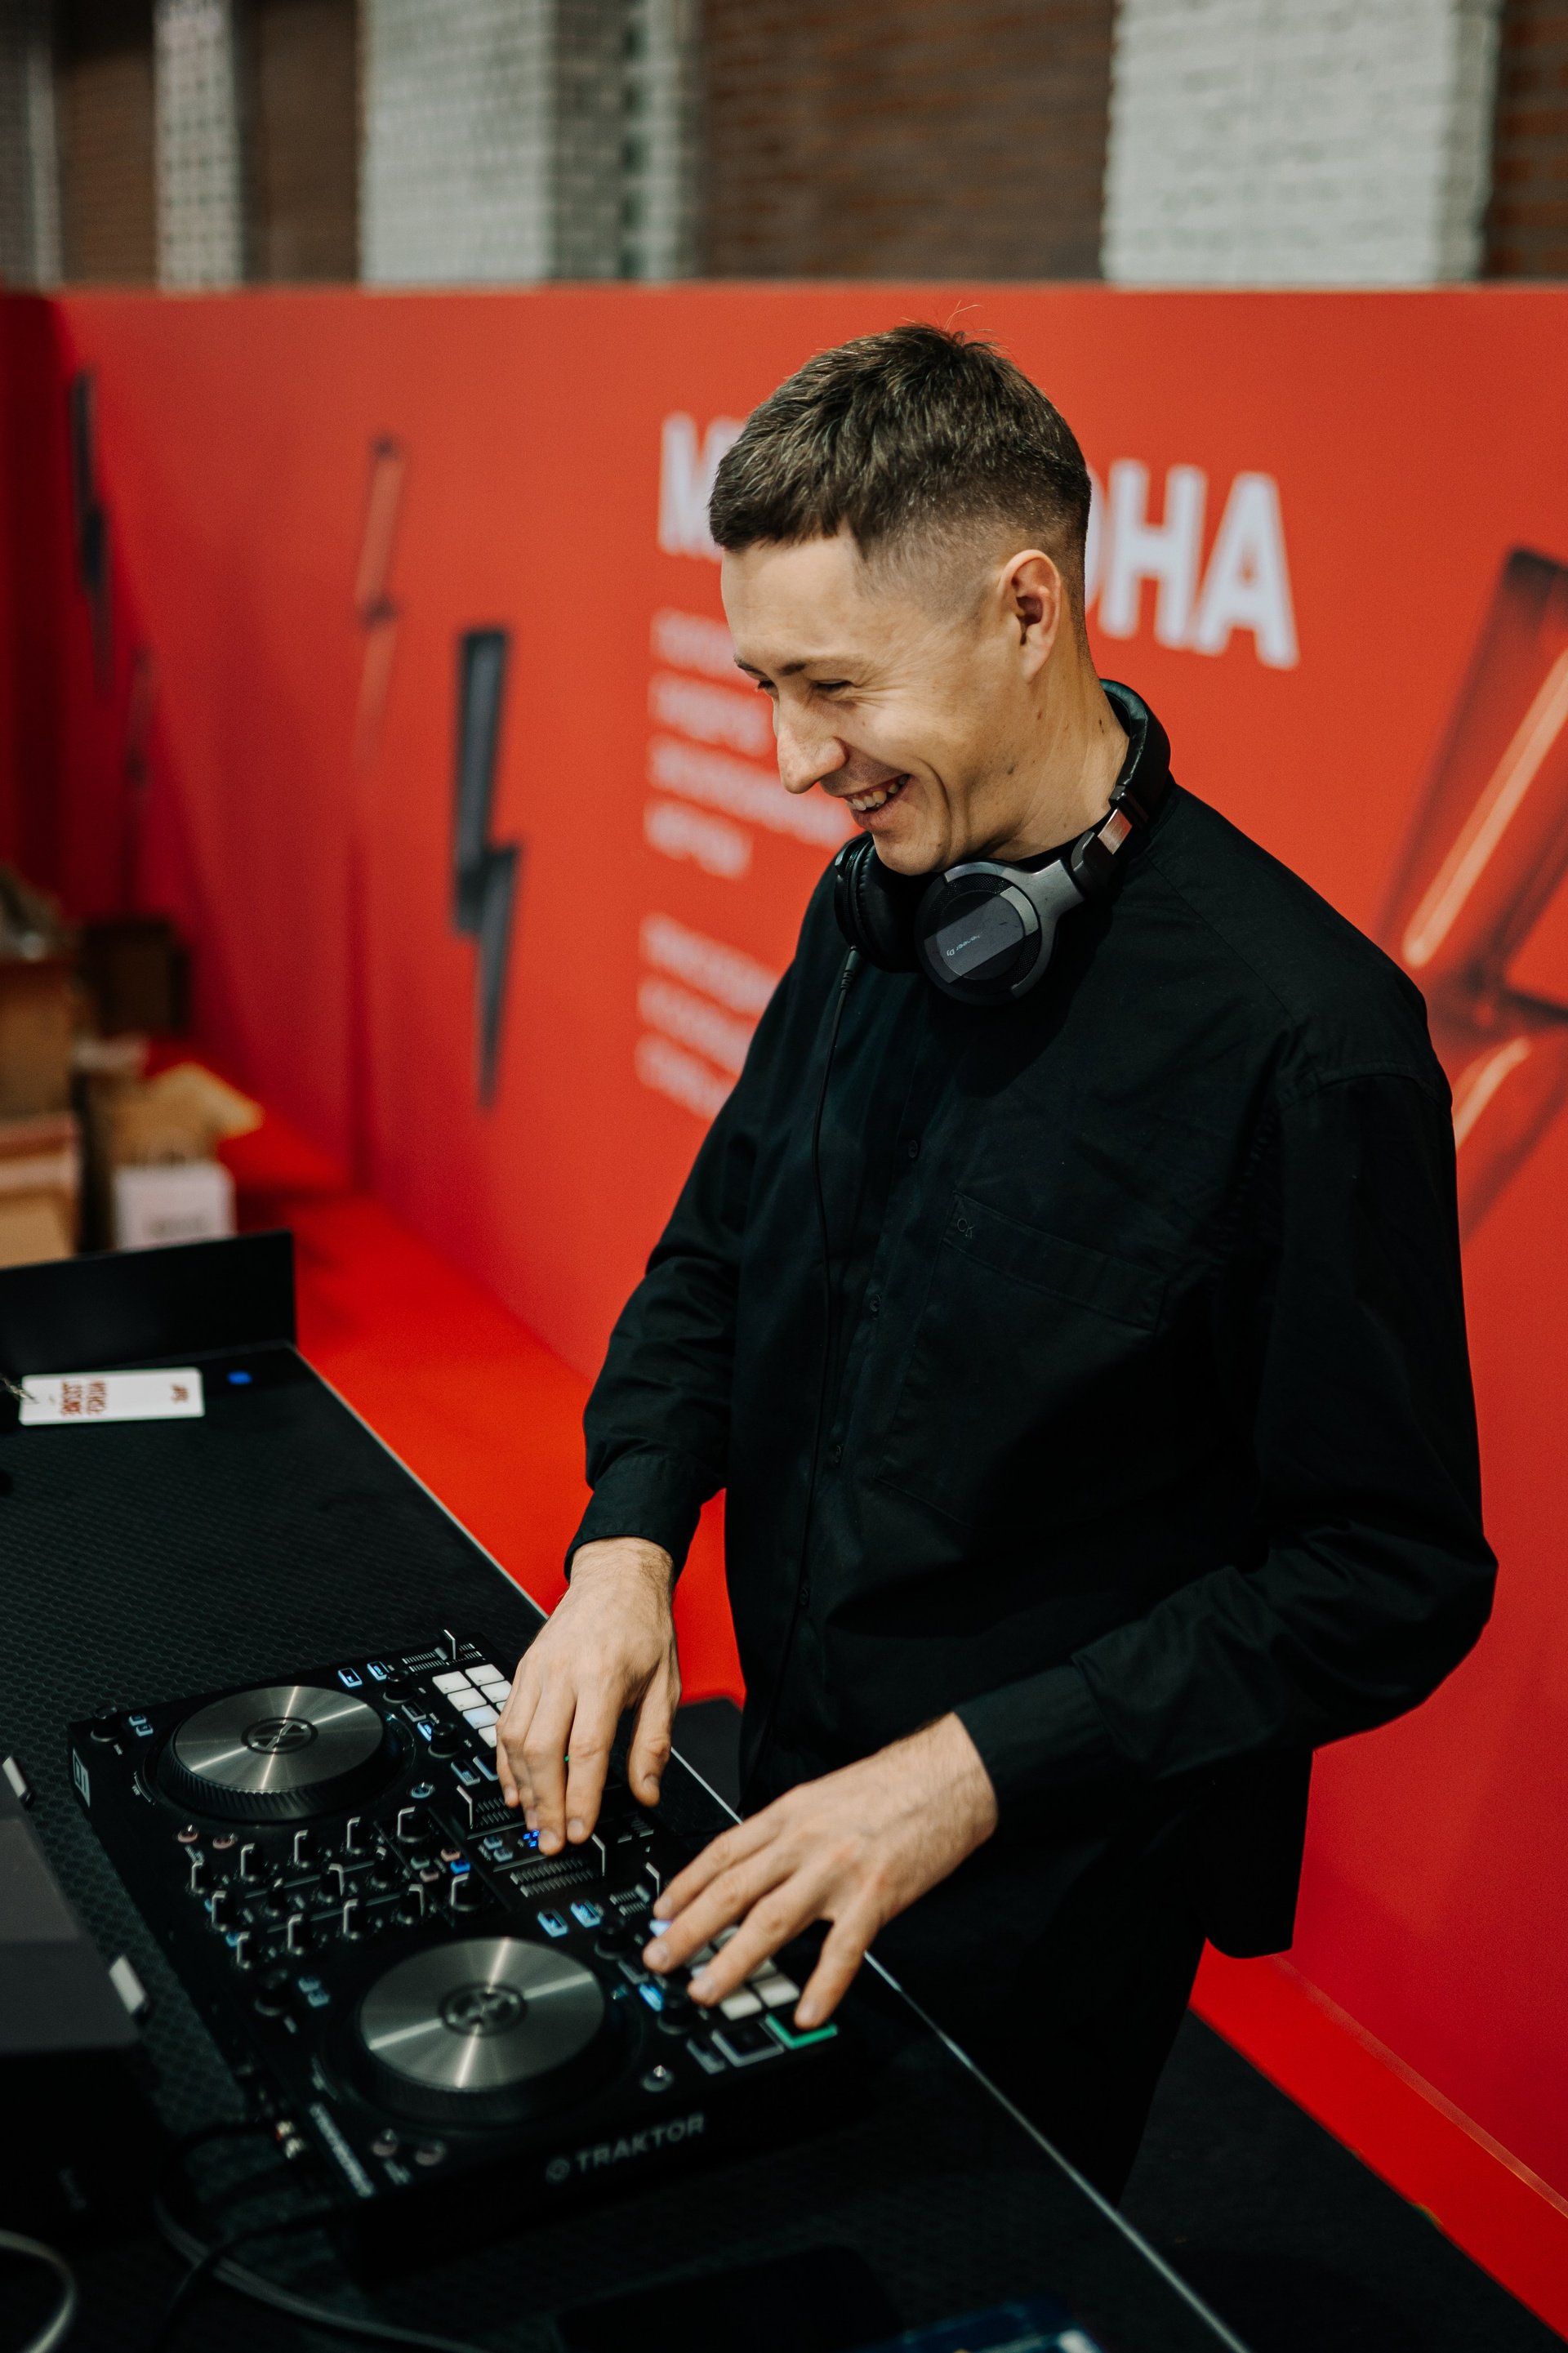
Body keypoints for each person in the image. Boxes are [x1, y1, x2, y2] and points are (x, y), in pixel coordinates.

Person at [493, 324, 1495, 2198]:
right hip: (787, 1774)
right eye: (765, 686)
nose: (794, 760)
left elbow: (1389, 1573)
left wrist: (965, 1771)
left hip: (1045, 1885)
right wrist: (626, 1545)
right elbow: (717, 1250)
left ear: (1027, 610)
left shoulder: (1310, 1044)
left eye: (835, 688)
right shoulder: (878, 908)